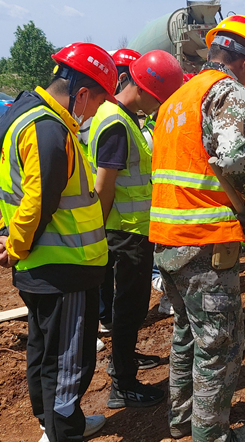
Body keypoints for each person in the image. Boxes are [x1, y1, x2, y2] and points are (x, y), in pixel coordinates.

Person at [0, 42, 117, 442]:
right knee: (68, 363)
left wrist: (11, 237)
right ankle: (65, 441)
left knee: (46, 352)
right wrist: (16, 243)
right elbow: (40, 200)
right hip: (64, 269)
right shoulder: (47, 129)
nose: (94, 112)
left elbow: (19, 195)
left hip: (44, 267)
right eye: (95, 102)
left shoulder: (29, 121)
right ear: (80, 93)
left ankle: (54, 427)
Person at [149, 14, 245, 442]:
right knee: (218, 344)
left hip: (166, 239)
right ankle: (212, 440)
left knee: (185, 332)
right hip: (204, 242)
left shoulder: (177, 98)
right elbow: (233, 157)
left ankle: (181, 420)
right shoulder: (228, 91)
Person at [87, 50, 183, 408]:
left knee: (128, 307)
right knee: (130, 308)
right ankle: (123, 384)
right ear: (143, 89)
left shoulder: (123, 117)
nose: (157, 107)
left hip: (131, 230)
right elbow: (104, 187)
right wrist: (99, 236)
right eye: (157, 100)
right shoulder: (117, 123)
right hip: (126, 233)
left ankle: (122, 360)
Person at [80, 48, 140, 333]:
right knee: (109, 282)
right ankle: (104, 321)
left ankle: (104, 319)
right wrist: (98, 223)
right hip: (113, 218)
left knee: (104, 275)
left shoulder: (105, 113)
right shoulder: (113, 118)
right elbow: (106, 180)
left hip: (102, 213)